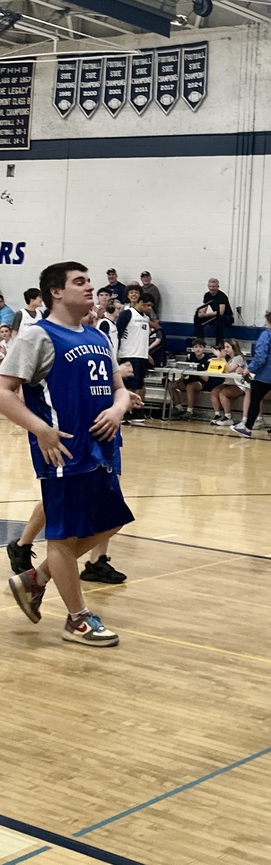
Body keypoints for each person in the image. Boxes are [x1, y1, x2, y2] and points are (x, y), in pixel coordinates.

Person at [0, 260, 133, 646]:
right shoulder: (37, 336)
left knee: (112, 519)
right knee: (64, 534)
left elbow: (119, 387)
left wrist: (118, 407)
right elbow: (4, 391)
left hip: (101, 447)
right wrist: (40, 429)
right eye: (80, 282)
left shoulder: (97, 337)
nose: (90, 287)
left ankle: (36, 579)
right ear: (55, 292)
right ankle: (77, 618)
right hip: (63, 449)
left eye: (89, 281)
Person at [230, 312, 271, 441]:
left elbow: (261, 357)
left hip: (266, 374)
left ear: (270, 322)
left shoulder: (267, 334)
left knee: (255, 400)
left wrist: (249, 368)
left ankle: (247, 428)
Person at [116, 285, 152, 423]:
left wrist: (146, 353)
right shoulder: (127, 313)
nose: (149, 308)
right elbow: (118, 333)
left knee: (139, 384)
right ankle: (125, 412)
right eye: (148, 305)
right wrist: (117, 352)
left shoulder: (146, 318)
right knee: (128, 385)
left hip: (141, 355)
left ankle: (137, 410)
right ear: (141, 303)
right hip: (129, 354)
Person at [170, 338, 213, 420]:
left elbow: (206, 379)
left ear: (204, 348)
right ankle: (179, 408)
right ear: (193, 348)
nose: (198, 349)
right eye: (196, 347)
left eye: (200, 347)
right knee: (171, 385)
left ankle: (190, 411)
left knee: (190, 386)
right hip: (189, 380)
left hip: (201, 382)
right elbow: (186, 371)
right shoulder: (190, 356)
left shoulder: (208, 360)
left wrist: (197, 369)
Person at [209, 339, 248, 427]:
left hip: (239, 384)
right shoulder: (227, 358)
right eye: (224, 347)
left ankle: (228, 417)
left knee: (223, 393)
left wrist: (222, 358)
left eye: (227, 347)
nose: (225, 349)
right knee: (214, 391)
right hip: (228, 382)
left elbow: (230, 369)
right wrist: (219, 356)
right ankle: (217, 415)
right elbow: (217, 368)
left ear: (234, 348)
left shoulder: (239, 358)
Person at [193, 278, 234, 346]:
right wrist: (201, 313)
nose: (211, 288)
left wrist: (206, 315)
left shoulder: (222, 296)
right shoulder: (207, 295)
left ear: (218, 287)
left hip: (227, 317)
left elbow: (221, 312)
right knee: (197, 318)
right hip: (216, 317)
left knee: (219, 319)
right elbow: (204, 308)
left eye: (214, 287)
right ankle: (200, 341)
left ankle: (219, 344)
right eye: (210, 286)